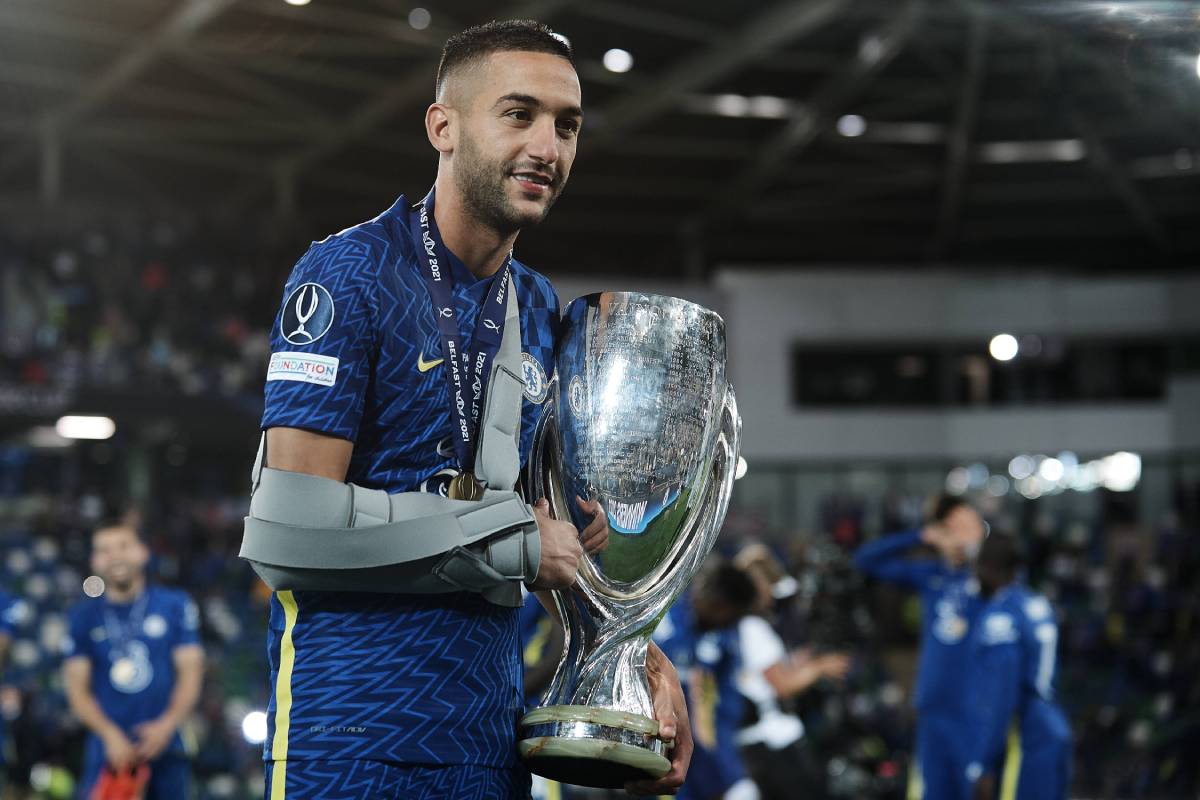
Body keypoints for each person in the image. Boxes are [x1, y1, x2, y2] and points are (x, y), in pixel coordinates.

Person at [249, 19, 690, 799]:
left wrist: (642, 661)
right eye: (518, 114)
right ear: (442, 127)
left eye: (567, 125)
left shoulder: (536, 303)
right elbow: (289, 533)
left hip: (491, 747)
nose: (548, 148)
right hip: (351, 744)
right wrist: (514, 539)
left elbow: (557, 533)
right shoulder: (346, 273)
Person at [852, 496, 987, 800]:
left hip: (974, 709)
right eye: (954, 527)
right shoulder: (931, 573)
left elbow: (1012, 570)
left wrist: (976, 549)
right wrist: (921, 536)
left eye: (970, 525)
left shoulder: (990, 578)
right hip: (932, 706)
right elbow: (865, 559)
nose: (962, 533)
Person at [62, 519, 204, 800]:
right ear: (94, 561)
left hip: (167, 745)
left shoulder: (175, 604)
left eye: (124, 546)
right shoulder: (82, 616)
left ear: (143, 552)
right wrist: (110, 735)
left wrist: (166, 725)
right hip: (107, 750)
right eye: (104, 550)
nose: (115, 555)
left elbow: (191, 673)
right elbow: (76, 691)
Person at [734, 546, 850, 800]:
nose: (771, 594)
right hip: (769, 740)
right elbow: (782, 685)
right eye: (766, 584)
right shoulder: (751, 626)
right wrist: (820, 668)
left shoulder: (742, 625)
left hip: (759, 740)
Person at [966, 533, 1071, 800]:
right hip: (1053, 725)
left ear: (987, 567)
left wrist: (984, 764)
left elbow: (1001, 695)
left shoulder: (1002, 615)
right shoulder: (1036, 603)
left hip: (1024, 737)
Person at [655, 560, 761, 800]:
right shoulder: (663, 615)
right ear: (719, 603)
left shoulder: (724, 641)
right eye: (731, 614)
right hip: (658, 743)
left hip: (706, 750)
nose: (730, 622)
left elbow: (716, 713)